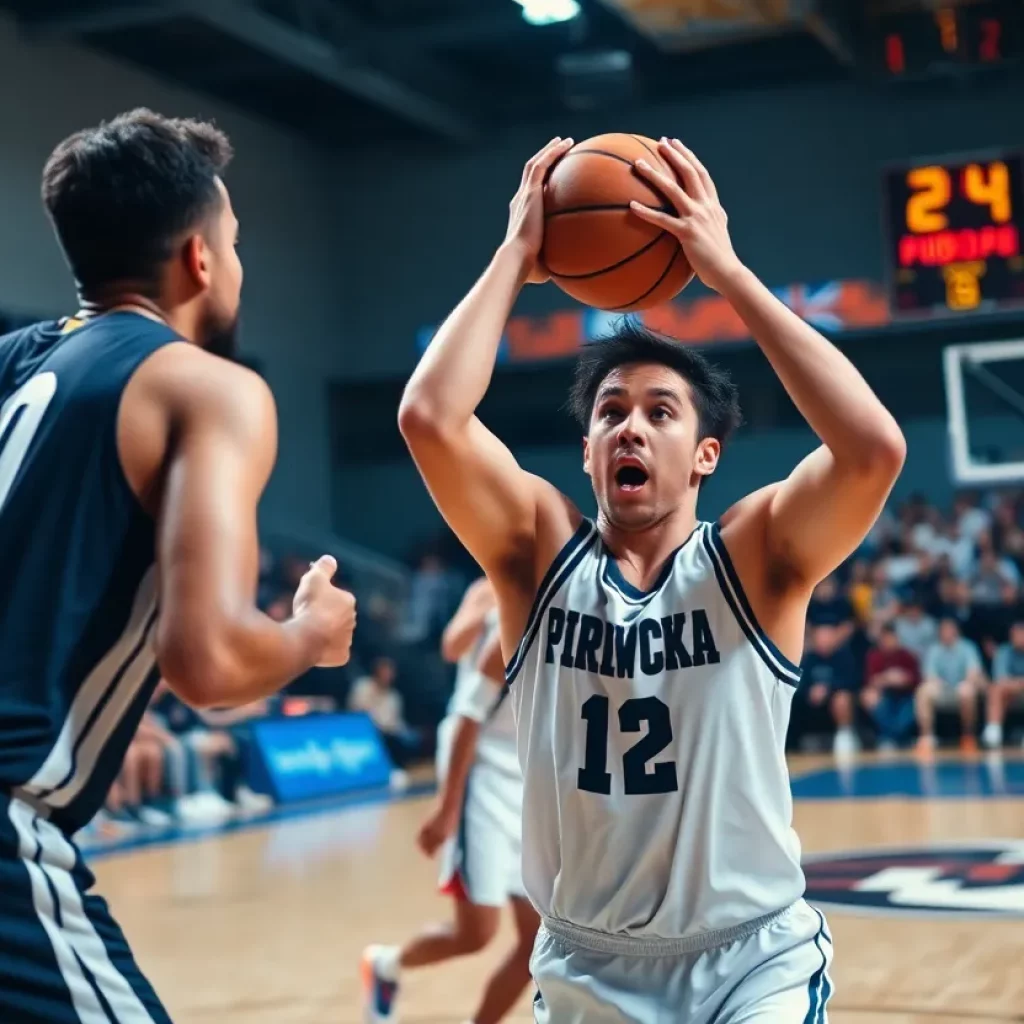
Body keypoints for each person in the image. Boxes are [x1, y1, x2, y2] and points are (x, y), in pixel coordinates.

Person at [399, 136, 905, 1022]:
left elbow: (872, 450)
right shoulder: (533, 557)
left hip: (751, 960)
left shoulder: (756, 558)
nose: (631, 428)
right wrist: (515, 257)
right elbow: (429, 416)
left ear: (706, 454)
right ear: (588, 450)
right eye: (610, 412)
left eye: (659, 412)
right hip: (586, 962)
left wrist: (731, 275)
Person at [0, 109, 356, 1022]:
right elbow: (210, 664)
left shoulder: (14, 369)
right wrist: (309, 635)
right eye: (234, 243)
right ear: (200, 258)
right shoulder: (208, 388)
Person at [362, 579, 539, 1024]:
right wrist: (446, 808)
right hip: (476, 762)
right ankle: (386, 965)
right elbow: (450, 647)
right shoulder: (493, 592)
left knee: (537, 941)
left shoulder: (577, 607)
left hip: (525, 772)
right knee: (477, 932)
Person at [917, 617, 985, 754]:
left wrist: (966, 682)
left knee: (967, 690)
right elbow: (929, 675)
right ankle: (926, 737)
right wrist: (938, 684)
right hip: (942, 691)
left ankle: (968, 736)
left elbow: (973, 672)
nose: (946, 633)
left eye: (949, 629)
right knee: (923, 691)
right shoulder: (934, 649)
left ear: (956, 631)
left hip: (962, 688)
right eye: (943, 630)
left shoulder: (968, 647)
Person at [797, 625, 860, 756]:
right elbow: (799, 682)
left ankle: (845, 735)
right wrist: (810, 690)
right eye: (820, 638)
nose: (824, 641)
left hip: (835, 699)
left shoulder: (844, 657)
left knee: (842, 699)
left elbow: (851, 681)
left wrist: (828, 689)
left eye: (827, 637)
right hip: (812, 702)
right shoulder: (809, 659)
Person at [861, 623, 920, 751]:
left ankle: (892, 738)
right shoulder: (874, 656)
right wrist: (887, 678)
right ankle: (894, 739)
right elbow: (870, 680)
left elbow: (916, 679)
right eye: (885, 639)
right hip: (885, 695)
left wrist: (903, 679)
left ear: (897, 638)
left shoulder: (907, 655)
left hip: (906, 695)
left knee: (910, 710)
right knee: (870, 698)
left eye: (891, 638)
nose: (888, 642)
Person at [983, 620, 1024, 749]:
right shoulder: (1003, 651)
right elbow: (1000, 679)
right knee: (995, 689)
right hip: (1009, 693)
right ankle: (994, 732)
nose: (1019, 638)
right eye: (1015, 635)